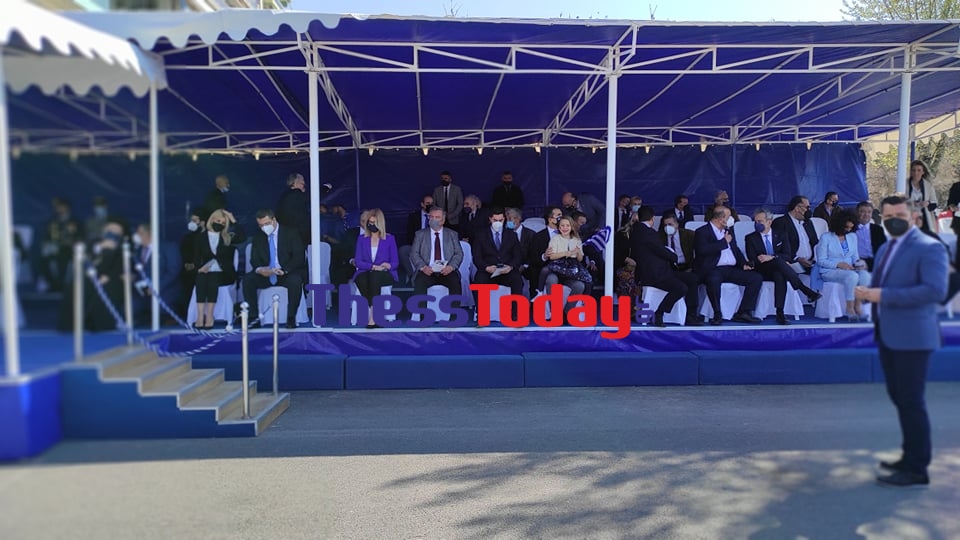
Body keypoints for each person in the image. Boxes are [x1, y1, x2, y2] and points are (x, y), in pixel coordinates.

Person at [855, 195, 948, 488]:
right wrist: (867, 297)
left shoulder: (930, 247)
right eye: (887, 216)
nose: (893, 220)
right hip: (888, 333)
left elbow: (934, 291)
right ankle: (909, 456)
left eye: (899, 215)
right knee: (900, 398)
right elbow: (882, 283)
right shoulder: (886, 247)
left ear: (913, 217)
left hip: (913, 337)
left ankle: (917, 468)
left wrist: (882, 296)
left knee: (911, 401)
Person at [632, 206, 702, 327]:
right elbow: (660, 250)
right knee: (681, 288)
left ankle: (691, 315)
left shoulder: (637, 230)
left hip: (662, 271)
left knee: (692, 279)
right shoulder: (648, 233)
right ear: (652, 218)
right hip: (655, 274)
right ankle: (659, 313)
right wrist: (674, 257)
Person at [244, 209, 306, 329]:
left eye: (266, 224)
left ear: (274, 220)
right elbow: (254, 259)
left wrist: (285, 270)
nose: (264, 227)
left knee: (295, 281)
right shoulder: (258, 236)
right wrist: (260, 269)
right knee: (248, 280)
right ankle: (253, 317)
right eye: (261, 225)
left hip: (285, 272)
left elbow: (299, 257)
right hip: (267, 273)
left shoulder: (290, 233)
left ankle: (291, 317)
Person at [816, 210, 871, 321]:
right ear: (839, 225)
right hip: (829, 270)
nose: (848, 230)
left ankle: (858, 305)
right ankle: (849, 309)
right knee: (852, 276)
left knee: (865, 275)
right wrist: (838, 264)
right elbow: (821, 261)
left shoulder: (852, 236)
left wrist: (860, 264)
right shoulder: (826, 237)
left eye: (851, 227)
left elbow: (855, 257)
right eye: (846, 227)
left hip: (850, 269)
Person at [352, 209, 399, 328]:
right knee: (361, 279)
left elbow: (395, 262)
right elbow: (358, 261)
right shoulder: (362, 239)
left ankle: (373, 319)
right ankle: (375, 310)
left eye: (374, 222)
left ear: (380, 223)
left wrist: (388, 265)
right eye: (370, 222)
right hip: (365, 271)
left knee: (374, 277)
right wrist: (372, 266)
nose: (371, 225)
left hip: (384, 273)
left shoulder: (389, 239)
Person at [192, 210, 238, 329]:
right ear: (212, 220)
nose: (220, 224)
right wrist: (200, 268)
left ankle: (210, 316)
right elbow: (196, 257)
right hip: (205, 271)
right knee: (201, 278)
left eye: (223, 223)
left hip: (224, 273)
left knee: (212, 278)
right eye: (218, 221)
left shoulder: (227, 237)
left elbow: (242, 236)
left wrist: (232, 219)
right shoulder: (201, 237)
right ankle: (200, 316)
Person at [907, 159, 938, 233]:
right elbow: (898, 201)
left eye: (919, 170)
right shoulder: (904, 184)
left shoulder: (928, 185)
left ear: (923, 172)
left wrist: (927, 203)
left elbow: (934, 203)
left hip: (925, 219)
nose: (916, 173)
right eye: (913, 170)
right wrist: (912, 203)